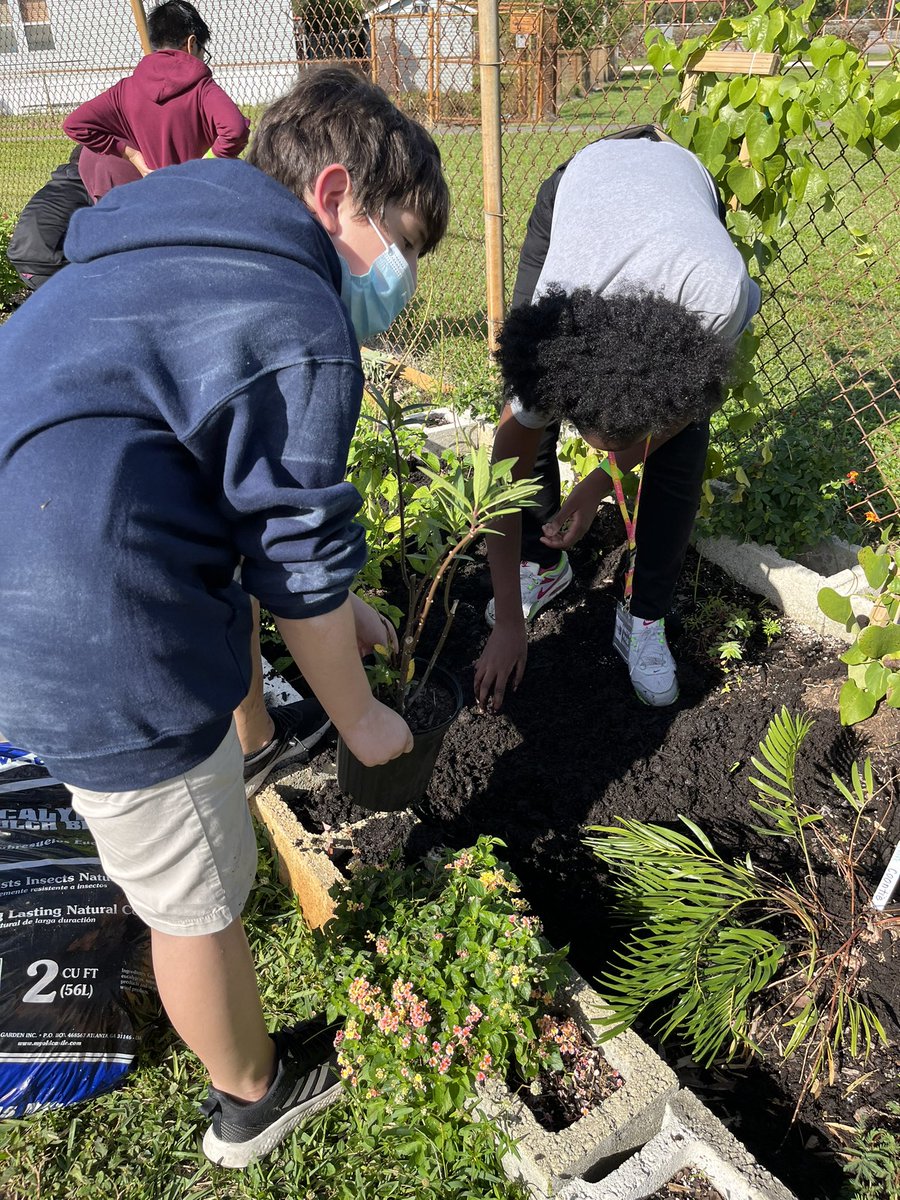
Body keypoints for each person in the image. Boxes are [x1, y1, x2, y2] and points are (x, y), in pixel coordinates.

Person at [0, 66, 449, 1167]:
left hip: (39, 565)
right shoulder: (296, 311)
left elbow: (232, 489)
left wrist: (343, 604)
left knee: (169, 824)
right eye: (398, 244)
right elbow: (293, 555)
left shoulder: (168, 242)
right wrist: (365, 723)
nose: (397, 281)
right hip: (95, 629)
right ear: (333, 193)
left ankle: (241, 752)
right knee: (191, 893)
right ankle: (252, 1097)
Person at [474, 127, 760, 711]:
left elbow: (679, 414)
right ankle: (540, 562)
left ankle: (645, 615)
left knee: (686, 439)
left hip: (679, 192)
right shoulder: (555, 318)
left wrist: (594, 487)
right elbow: (502, 476)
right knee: (529, 407)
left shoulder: (717, 294)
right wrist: (507, 621)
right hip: (583, 188)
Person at [63, 0, 249, 202]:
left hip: (153, 200)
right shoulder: (202, 88)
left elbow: (75, 124)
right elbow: (235, 130)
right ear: (191, 43)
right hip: (200, 198)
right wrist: (206, 163)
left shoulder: (125, 89)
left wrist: (132, 155)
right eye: (203, 51)